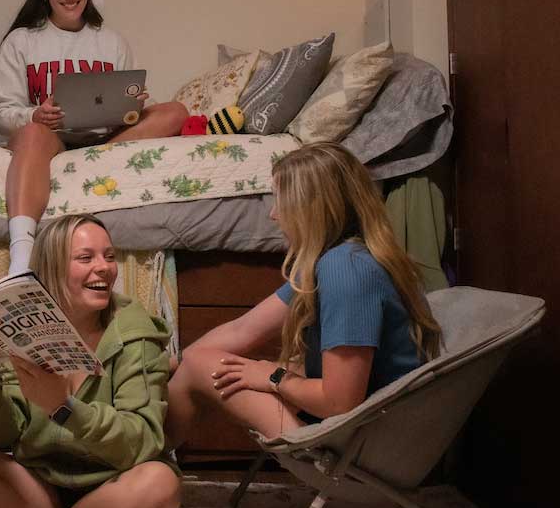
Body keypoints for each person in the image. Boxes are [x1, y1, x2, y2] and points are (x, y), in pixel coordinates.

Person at [0, 214, 180, 508]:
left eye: (109, 256)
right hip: (44, 486)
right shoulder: (27, 325)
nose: (105, 267)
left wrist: (65, 409)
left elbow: (143, 443)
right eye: (86, 257)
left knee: (160, 482)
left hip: (114, 486)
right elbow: (3, 435)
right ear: (51, 268)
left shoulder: (135, 332)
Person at [165, 141, 442, 445]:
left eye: (282, 202)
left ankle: (145, 470)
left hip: (367, 439)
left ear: (314, 209)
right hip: (361, 423)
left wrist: (274, 378)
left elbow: (341, 403)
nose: (273, 214)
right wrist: (168, 364)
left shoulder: (346, 270)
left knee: (203, 366)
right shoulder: (336, 258)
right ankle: (146, 467)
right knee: (202, 362)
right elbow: (243, 329)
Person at [0, 0, 188, 275]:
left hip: (104, 137)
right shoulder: (21, 41)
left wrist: (134, 105)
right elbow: (0, 114)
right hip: (49, 138)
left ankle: (94, 157)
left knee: (176, 111)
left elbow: (136, 105)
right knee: (34, 133)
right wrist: (34, 115)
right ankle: (22, 257)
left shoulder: (111, 41)